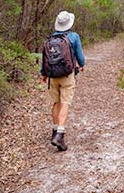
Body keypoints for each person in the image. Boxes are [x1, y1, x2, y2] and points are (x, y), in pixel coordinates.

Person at [41, 10, 85, 151]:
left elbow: (44, 58)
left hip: (52, 76)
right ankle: (60, 134)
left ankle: (54, 131)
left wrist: (44, 73)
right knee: (65, 102)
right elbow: (80, 56)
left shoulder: (50, 39)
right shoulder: (73, 36)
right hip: (67, 75)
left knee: (55, 103)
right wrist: (82, 65)